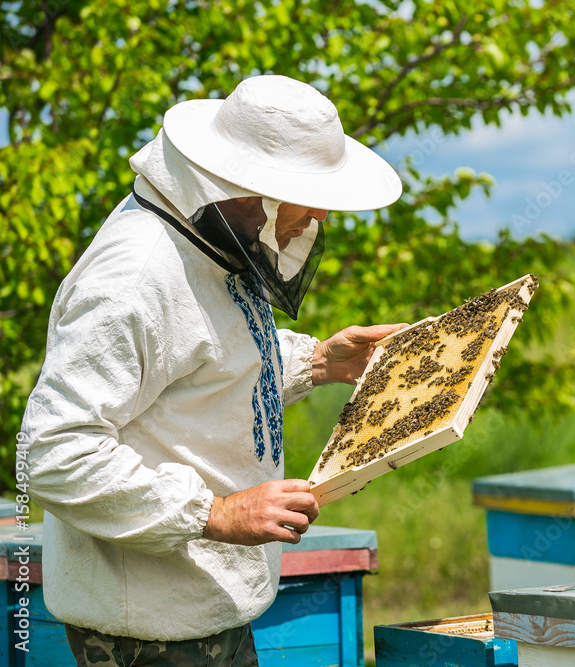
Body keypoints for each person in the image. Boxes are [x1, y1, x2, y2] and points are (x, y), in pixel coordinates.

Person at [20, 74, 405, 665]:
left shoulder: (211, 235)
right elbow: (54, 452)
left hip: (203, 611)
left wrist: (320, 360)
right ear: (253, 187)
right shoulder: (132, 278)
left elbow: (204, 357)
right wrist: (214, 512)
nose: (322, 212)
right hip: (146, 634)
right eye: (311, 193)